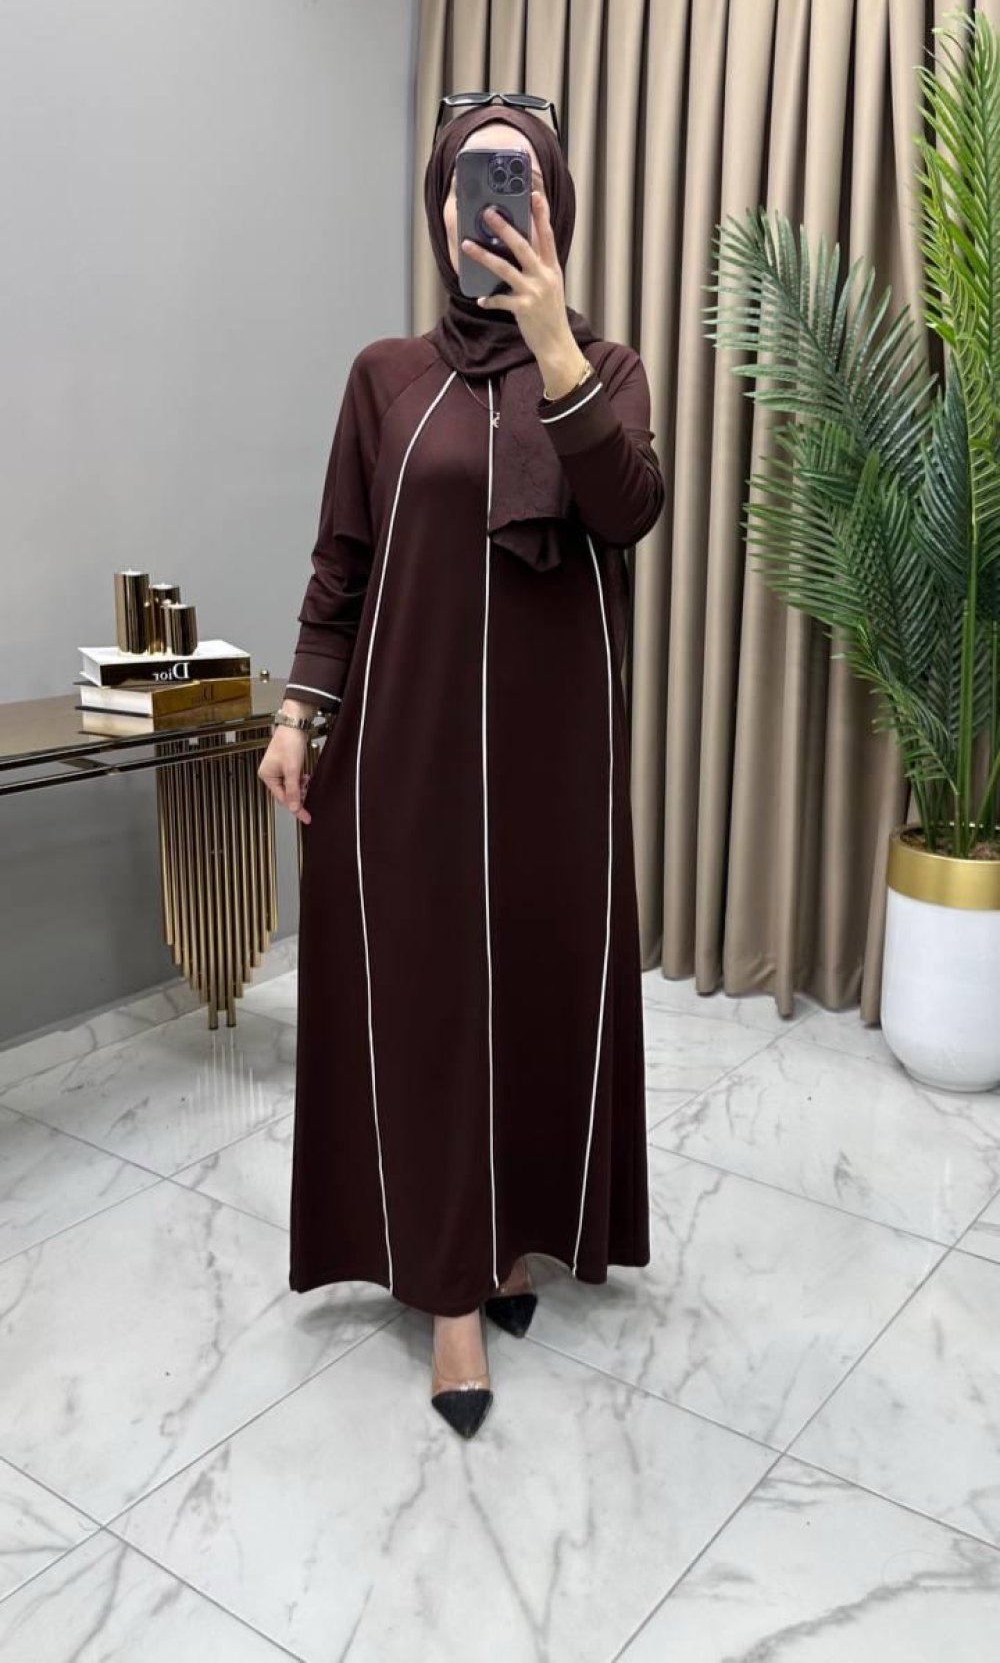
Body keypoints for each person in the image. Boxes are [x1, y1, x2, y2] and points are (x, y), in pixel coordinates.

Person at [258, 99, 665, 1440]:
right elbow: (342, 560)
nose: (484, 207)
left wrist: (553, 349)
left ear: (554, 208)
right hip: (411, 754)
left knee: (536, 993)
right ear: (440, 211)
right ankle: (445, 1294)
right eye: (465, 185)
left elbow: (627, 509)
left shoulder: (605, 366)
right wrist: (299, 712)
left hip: (555, 763)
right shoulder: (384, 376)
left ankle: (511, 1237)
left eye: (516, 182)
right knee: (429, 1008)